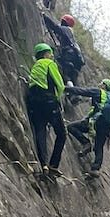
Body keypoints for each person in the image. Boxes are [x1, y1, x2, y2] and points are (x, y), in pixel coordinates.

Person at [65, 79, 110, 178]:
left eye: (101, 83)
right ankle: (95, 169)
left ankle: (85, 143)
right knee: (99, 146)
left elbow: (82, 91)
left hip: (97, 121)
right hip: (107, 127)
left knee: (71, 127)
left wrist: (65, 88)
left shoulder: (99, 92)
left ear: (104, 86)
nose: (99, 84)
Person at [26, 43, 66, 176]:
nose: (52, 55)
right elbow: (60, 85)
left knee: (40, 131)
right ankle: (53, 165)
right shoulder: (49, 63)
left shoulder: (35, 66)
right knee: (61, 134)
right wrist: (58, 99)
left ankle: (43, 164)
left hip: (34, 102)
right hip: (48, 101)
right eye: (50, 53)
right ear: (45, 54)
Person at [42, 13, 85, 87]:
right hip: (77, 58)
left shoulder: (66, 29)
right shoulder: (70, 33)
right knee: (72, 77)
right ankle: (75, 94)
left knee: (65, 73)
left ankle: (70, 89)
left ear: (64, 22)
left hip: (69, 54)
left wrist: (45, 17)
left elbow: (55, 27)